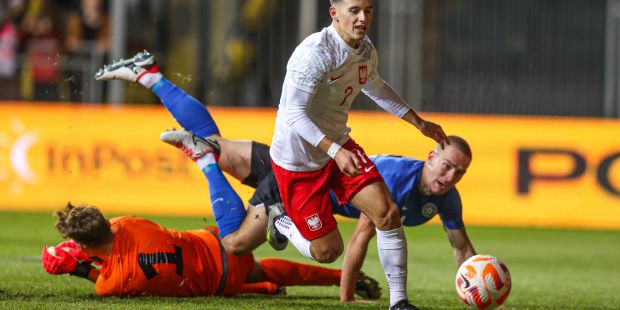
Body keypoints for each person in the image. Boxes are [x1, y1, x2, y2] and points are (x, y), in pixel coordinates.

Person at [94, 50, 474, 304]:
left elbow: (461, 248)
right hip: (298, 181)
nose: (450, 175)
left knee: (213, 141)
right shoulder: (397, 179)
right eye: (446, 165)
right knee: (236, 245)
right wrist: (347, 297)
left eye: (458, 171)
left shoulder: (447, 198)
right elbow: (359, 239)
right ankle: (206, 161)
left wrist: (475, 279)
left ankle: (150, 76)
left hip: (304, 162)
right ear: (430, 157)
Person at [268, 0, 450, 310]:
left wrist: (418, 121)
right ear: (334, 13)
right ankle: (282, 221)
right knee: (327, 252)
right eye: (354, 11)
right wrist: (334, 152)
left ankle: (399, 302)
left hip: (337, 145)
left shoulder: (365, 50)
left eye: (368, 10)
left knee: (387, 213)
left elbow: (375, 86)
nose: (363, 19)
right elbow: (293, 115)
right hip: (299, 160)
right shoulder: (314, 54)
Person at [41, 202, 380, 298]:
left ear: (86, 245)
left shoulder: (113, 282)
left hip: (222, 279)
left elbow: (99, 275)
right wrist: (83, 247)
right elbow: (113, 238)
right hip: (218, 239)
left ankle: (260, 286)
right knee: (260, 263)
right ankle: (337, 273)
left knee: (257, 275)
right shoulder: (129, 222)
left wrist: (75, 266)